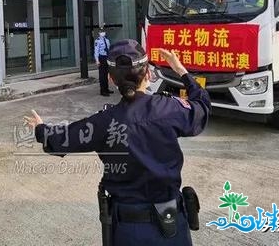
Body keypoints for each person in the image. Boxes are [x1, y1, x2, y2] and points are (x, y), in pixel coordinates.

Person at [24, 39, 211, 245]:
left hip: (127, 231)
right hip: (171, 227)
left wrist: (42, 129)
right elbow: (202, 105)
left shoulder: (104, 122)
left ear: (112, 80)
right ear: (148, 73)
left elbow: (60, 141)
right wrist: (180, 70)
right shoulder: (170, 109)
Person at [94, 26, 113, 96]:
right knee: (102, 75)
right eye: (101, 32)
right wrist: (97, 60)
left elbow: (109, 49)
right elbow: (96, 51)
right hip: (101, 58)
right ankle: (103, 91)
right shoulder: (97, 41)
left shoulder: (107, 40)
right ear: (99, 33)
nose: (103, 33)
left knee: (106, 74)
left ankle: (106, 89)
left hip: (107, 58)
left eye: (103, 32)